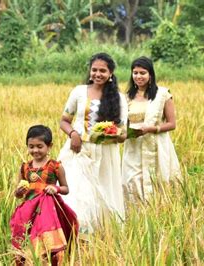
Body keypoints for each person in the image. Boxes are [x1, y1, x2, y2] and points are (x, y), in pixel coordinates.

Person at [57, 53, 128, 235]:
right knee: (76, 191)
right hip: (78, 151)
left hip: (105, 154)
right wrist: (73, 133)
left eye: (102, 71)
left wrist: (110, 134)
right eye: (94, 70)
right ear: (90, 72)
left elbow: (123, 134)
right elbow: (64, 120)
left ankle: (101, 235)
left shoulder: (119, 98)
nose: (98, 74)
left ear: (110, 73)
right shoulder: (79, 92)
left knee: (102, 192)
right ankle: (74, 232)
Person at [10, 125, 78, 266]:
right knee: (27, 237)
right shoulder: (25, 168)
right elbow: (17, 194)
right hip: (29, 211)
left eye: (40, 146)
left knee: (47, 240)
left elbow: (66, 189)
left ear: (49, 146)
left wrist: (55, 188)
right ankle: (30, 261)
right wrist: (18, 192)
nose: (35, 150)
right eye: (31, 146)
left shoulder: (55, 166)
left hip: (48, 211)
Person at [122, 56, 181, 202]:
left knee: (158, 180)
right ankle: (136, 218)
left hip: (157, 145)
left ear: (150, 75)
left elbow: (172, 124)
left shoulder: (163, 95)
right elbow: (123, 123)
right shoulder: (127, 97)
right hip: (133, 147)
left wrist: (151, 129)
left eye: (143, 73)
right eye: (135, 73)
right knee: (132, 181)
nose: (138, 76)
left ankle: (159, 214)